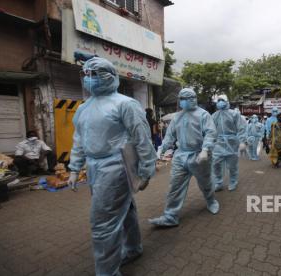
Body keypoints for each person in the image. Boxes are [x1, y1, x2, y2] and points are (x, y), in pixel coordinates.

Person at [67, 57, 157, 275]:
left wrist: (146, 171)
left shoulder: (125, 104)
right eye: (86, 74)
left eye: (95, 74)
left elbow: (142, 138)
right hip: (94, 166)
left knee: (102, 223)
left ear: (111, 76)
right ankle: (133, 248)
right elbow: (79, 139)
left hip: (116, 166)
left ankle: (107, 271)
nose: (89, 79)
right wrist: (74, 168)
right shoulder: (83, 108)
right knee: (124, 210)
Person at [150, 88, 219, 227]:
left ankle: (211, 200)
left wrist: (205, 150)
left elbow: (210, 133)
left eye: (185, 98)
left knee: (205, 183)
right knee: (175, 186)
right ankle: (170, 216)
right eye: (181, 98)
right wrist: (161, 149)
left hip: (199, 155)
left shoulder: (203, 115)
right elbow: (170, 135)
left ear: (193, 99)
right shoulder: (177, 116)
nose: (182, 101)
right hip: (181, 155)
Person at [211, 98, 247, 191]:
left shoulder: (234, 114)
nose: (220, 102)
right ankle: (218, 182)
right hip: (218, 143)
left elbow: (241, 128)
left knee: (232, 165)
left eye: (222, 100)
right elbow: (210, 130)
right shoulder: (214, 115)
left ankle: (233, 181)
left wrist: (242, 141)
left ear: (227, 101)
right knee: (215, 164)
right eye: (218, 101)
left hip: (232, 142)